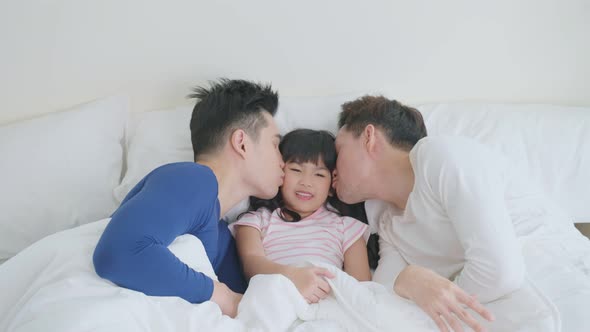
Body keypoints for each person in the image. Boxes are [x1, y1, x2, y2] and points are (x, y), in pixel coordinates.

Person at [92, 79, 285, 318]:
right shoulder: (193, 179)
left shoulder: (222, 238)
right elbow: (117, 254)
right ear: (241, 143)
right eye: (275, 145)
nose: (283, 162)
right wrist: (220, 294)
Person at [331, 96, 525, 332]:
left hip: (545, 290)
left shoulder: (440, 156)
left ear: (369, 137)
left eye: (338, 149)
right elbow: (381, 303)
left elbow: (501, 273)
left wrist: (423, 287)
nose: (331, 168)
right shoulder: (387, 221)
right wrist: (408, 279)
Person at [232, 129, 371, 304]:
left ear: (331, 185)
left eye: (319, 174)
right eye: (296, 169)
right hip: (277, 301)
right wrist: (294, 277)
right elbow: (251, 264)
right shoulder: (255, 222)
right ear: (280, 172)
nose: (306, 182)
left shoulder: (346, 227)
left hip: (329, 306)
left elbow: (362, 288)